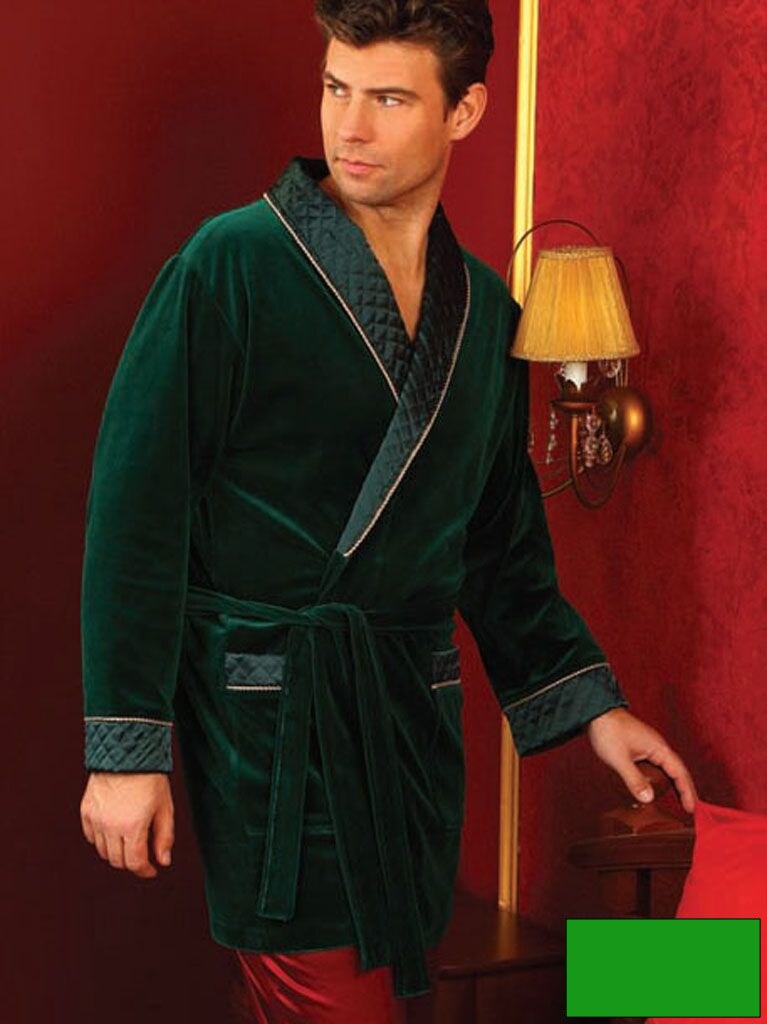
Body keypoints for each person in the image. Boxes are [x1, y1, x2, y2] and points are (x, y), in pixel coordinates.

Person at [78, 1, 698, 1020]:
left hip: (408, 732)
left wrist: (592, 707)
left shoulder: (484, 313)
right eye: (336, 89)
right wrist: (124, 749)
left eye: (389, 99)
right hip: (272, 729)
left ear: (465, 112)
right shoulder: (228, 266)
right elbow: (134, 519)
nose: (349, 127)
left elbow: (500, 548)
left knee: (389, 991)